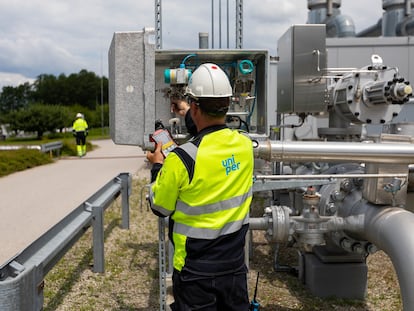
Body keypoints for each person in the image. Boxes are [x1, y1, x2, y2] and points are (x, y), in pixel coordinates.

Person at [147, 63, 254, 311]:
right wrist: (188, 111)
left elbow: (160, 206)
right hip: (234, 267)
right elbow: (212, 132)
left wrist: (157, 166)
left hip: (195, 271)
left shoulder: (181, 159)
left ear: (195, 107)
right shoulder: (245, 146)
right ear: (227, 104)